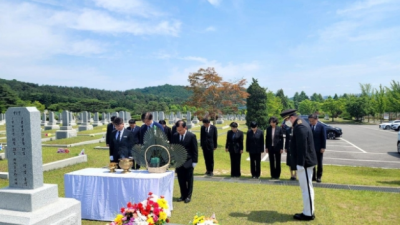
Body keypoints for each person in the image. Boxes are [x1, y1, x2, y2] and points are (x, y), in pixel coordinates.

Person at [280, 109, 317, 221]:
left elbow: (302, 148)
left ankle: (308, 214)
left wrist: (300, 164)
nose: (286, 122)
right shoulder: (300, 124)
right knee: (307, 188)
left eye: (286, 120)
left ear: (291, 118)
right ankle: (308, 211)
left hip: (304, 163)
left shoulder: (300, 127)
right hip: (304, 162)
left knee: (306, 189)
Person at [171, 120, 198, 204]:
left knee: (189, 180)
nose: (179, 132)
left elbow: (195, 150)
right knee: (181, 179)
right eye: (177, 130)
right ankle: (183, 195)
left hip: (188, 161)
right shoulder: (175, 136)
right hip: (179, 162)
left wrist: (194, 161)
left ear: (185, 128)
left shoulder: (191, 136)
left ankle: (188, 196)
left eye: (181, 130)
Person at [308, 114, 326, 183]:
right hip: (311, 148)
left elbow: (323, 138)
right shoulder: (309, 126)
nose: (311, 122)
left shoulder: (321, 126)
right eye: (310, 121)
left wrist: (323, 147)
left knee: (319, 163)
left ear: (316, 120)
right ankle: (313, 176)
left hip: (319, 148)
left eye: (312, 121)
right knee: (312, 163)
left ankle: (319, 177)